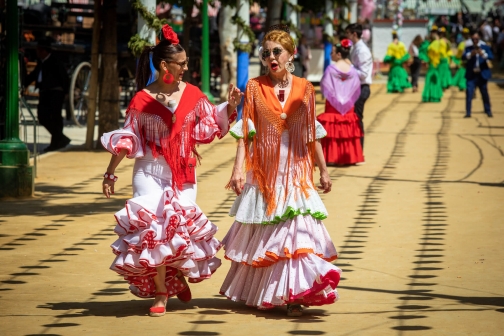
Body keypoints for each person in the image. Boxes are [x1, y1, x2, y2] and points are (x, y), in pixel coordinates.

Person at [100, 24, 243, 317]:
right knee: (154, 230)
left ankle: (173, 277)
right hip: (148, 171)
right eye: (182, 63)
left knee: (178, 230)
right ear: (165, 65)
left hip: (182, 173)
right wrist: (110, 173)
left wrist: (230, 104)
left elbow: (211, 122)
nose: (186, 68)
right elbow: (129, 138)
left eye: (187, 62)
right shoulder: (141, 99)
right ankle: (162, 291)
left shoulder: (192, 94)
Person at [221, 24, 341, 317]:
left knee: (296, 232)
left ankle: (293, 294)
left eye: (277, 51)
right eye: (265, 53)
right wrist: (238, 170)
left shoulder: (305, 88)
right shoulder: (253, 86)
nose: (271, 57)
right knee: (269, 233)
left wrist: (323, 171)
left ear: (291, 54)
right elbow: (246, 133)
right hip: (265, 172)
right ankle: (272, 293)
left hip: (297, 173)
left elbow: (311, 132)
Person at [317, 39, 363, 165]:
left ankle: (331, 157)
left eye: (332, 52)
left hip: (333, 104)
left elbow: (325, 86)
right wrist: (346, 98)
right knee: (346, 129)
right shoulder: (352, 70)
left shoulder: (331, 69)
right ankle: (348, 157)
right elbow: (356, 88)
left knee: (332, 129)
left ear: (338, 54)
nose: (330, 55)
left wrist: (335, 97)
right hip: (348, 104)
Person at [24, 37, 71, 152]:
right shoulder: (41, 62)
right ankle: (61, 138)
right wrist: (23, 84)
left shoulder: (55, 62)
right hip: (45, 93)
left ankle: (56, 143)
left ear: (43, 51)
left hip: (55, 93)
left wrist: (65, 92)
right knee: (42, 117)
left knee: (55, 118)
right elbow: (34, 76)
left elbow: (64, 77)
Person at [346, 23, 373, 151]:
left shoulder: (362, 50)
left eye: (348, 34)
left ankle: (359, 149)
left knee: (357, 119)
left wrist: (348, 67)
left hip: (362, 88)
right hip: (356, 88)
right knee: (354, 118)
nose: (347, 37)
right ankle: (356, 148)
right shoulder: (356, 47)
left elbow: (363, 74)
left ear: (354, 34)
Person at [462, 31, 493, 118]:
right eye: (473, 39)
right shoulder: (469, 48)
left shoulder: (485, 47)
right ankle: (468, 112)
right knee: (469, 93)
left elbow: (491, 57)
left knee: (484, 93)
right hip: (472, 75)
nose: (475, 40)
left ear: (479, 38)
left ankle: (488, 110)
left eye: (476, 38)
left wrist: (482, 54)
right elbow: (463, 57)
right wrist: (471, 54)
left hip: (482, 74)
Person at [420, 26, 443, 103]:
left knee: (434, 80)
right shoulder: (430, 43)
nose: (434, 33)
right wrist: (425, 59)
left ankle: (434, 96)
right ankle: (429, 96)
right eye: (432, 32)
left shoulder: (438, 42)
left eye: (435, 32)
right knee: (429, 80)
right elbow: (424, 51)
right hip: (431, 64)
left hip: (436, 64)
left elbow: (437, 51)